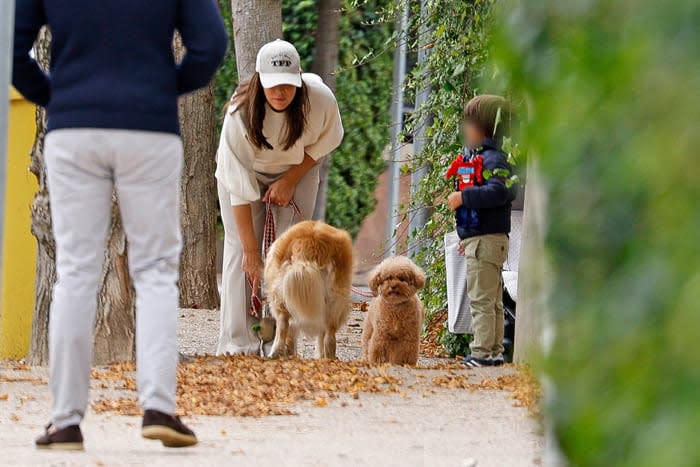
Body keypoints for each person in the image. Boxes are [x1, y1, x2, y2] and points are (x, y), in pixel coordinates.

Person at [12, 0, 227, 450]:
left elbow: (11, 48)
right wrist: (163, 89)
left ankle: (66, 420)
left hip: (74, 127)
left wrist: (56, 95)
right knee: (155, 272)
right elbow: (209, 46)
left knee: (75, 272)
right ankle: (159, 407)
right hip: (148, 127)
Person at [215, 40, 344, 356]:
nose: (280, 92)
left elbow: (324, 144)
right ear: (259, 79)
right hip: (244, 176)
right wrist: (250, 251)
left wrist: (290, 179)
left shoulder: (319, 100)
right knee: (240, 255)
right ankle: (238, 344)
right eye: (273, 84)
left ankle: (281, 341)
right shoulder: (239, 116)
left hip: (297, 167)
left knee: (293, 253)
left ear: (299, 78)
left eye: (288, 84)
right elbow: (238, 188)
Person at [446, 95, 516, 368]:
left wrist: (464, 198)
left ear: (483, 128)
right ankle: (494, 351)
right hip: (484, 238)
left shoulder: (493, 160)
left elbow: (501, 191)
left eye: (469, 123)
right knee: (493, 299)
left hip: (486, 240)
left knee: (482, 300)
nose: (465, 129)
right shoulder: (489, 158)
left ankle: (483, 353)